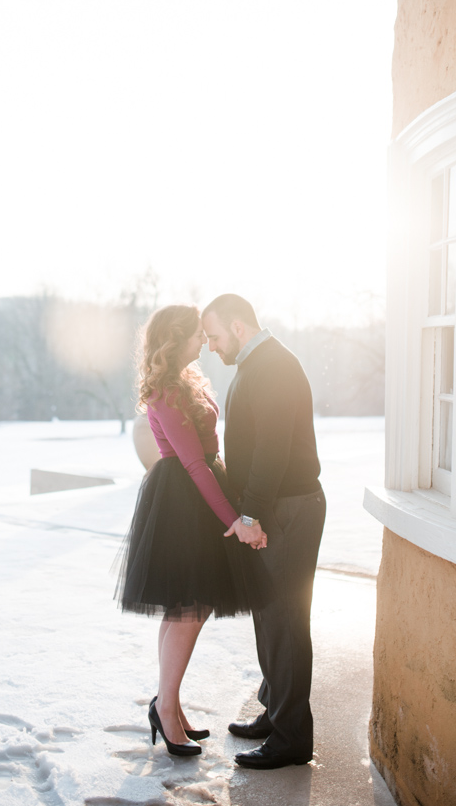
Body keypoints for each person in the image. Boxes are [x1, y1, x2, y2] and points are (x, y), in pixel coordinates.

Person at [116, 304, 269, 759]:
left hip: (195, 498)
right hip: (185, 504)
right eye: (196, 336)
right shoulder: (166, 391)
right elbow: (194, 466)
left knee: (188, 608)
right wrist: (234, 522)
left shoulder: (184, 382)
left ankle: (168, 704)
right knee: (188, 607)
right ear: (176, 339)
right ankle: (165, 709)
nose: (204, 341)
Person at [201, 294, 326, 770]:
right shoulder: (259, 364)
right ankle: (276, 712)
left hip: (289, 508)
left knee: (285, 620)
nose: (211, 347)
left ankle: (292, 737)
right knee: (269, 615)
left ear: (237, 327)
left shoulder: (272, 366)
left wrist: (249, 515)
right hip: (279, 507)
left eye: (213, 337)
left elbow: (272, 450)